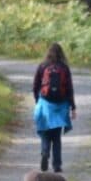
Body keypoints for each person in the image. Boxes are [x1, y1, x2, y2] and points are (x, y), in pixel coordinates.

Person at [31, 43, 76, 173]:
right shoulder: (64, 68)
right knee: (56, 137)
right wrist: (73, 107)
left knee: (45, 133)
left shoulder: (42, 66)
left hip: (44, 104)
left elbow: (35, 86)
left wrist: (38, 100)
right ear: (61, 53)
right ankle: (57, 165)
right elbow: (69, 89)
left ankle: (45, 153)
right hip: (60, 106)